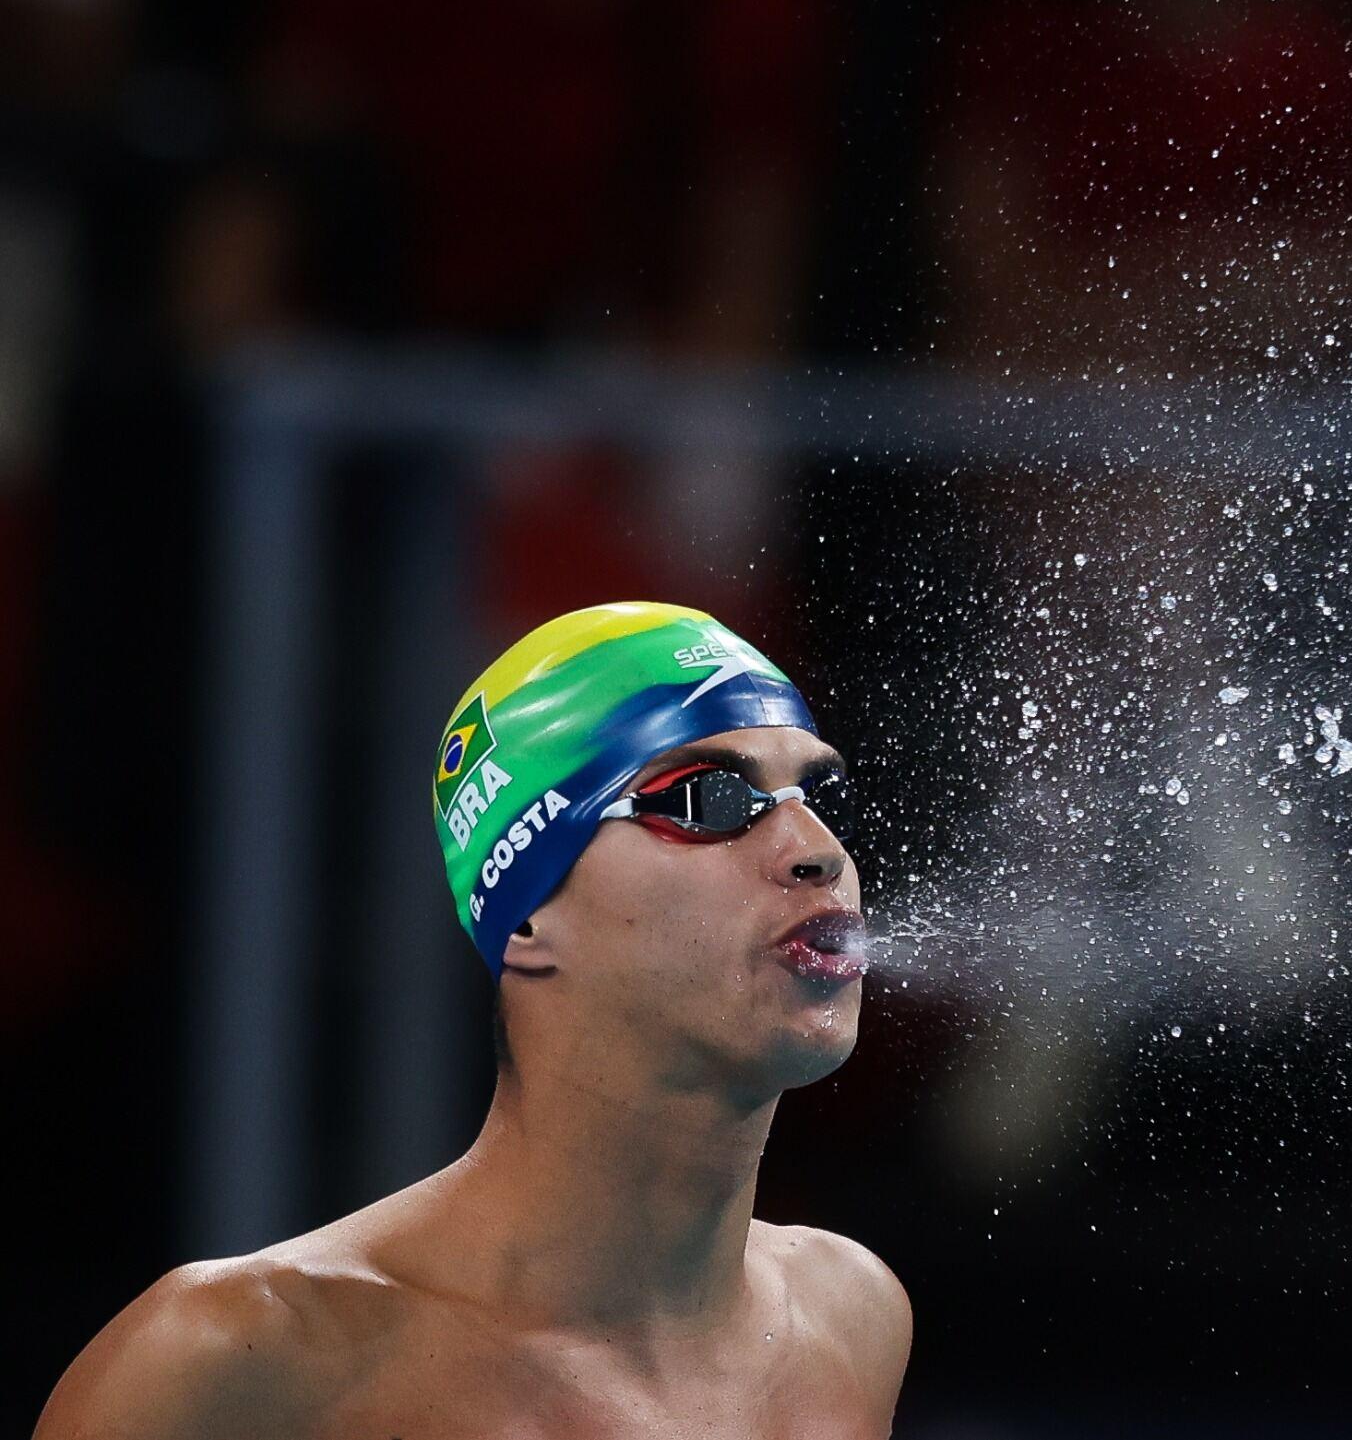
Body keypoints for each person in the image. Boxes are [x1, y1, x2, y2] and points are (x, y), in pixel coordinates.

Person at [35, 602, 910, 1436]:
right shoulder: (236, 1367)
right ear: (526, 916)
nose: (818, 850)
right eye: (706, 800)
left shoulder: (851, 1323)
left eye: (814, 794)